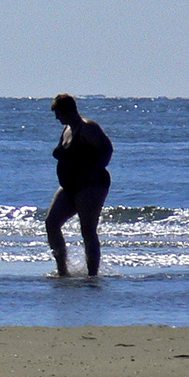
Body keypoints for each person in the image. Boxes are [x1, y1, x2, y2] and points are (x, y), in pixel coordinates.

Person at [45, 94, 113, 277]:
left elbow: (107, 149)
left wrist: (93, 170)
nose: (57, 117)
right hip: (70, 185)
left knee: (87, 229)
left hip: (91, 185)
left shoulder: (88, 128)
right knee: (51, 223)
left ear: (68, 110)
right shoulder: (67, 129)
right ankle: (62, 271)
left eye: (58, 113)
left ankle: (92, 275)